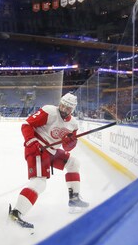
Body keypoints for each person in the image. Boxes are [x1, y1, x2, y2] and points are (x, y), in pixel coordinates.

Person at [8, 92, 89, 229]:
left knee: (74, 163)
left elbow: (68, 147)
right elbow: (27, 125)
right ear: (60, 103)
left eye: (68, 108)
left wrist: (70, 142)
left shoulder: (73, 124)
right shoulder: (49, 111)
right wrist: (31, 141)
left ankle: (74, 198)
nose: (64, 109)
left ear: (72, 109)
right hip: (37, 149)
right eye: (63, 106)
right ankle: (16, 212)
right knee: (39, 182)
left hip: (51, 151)